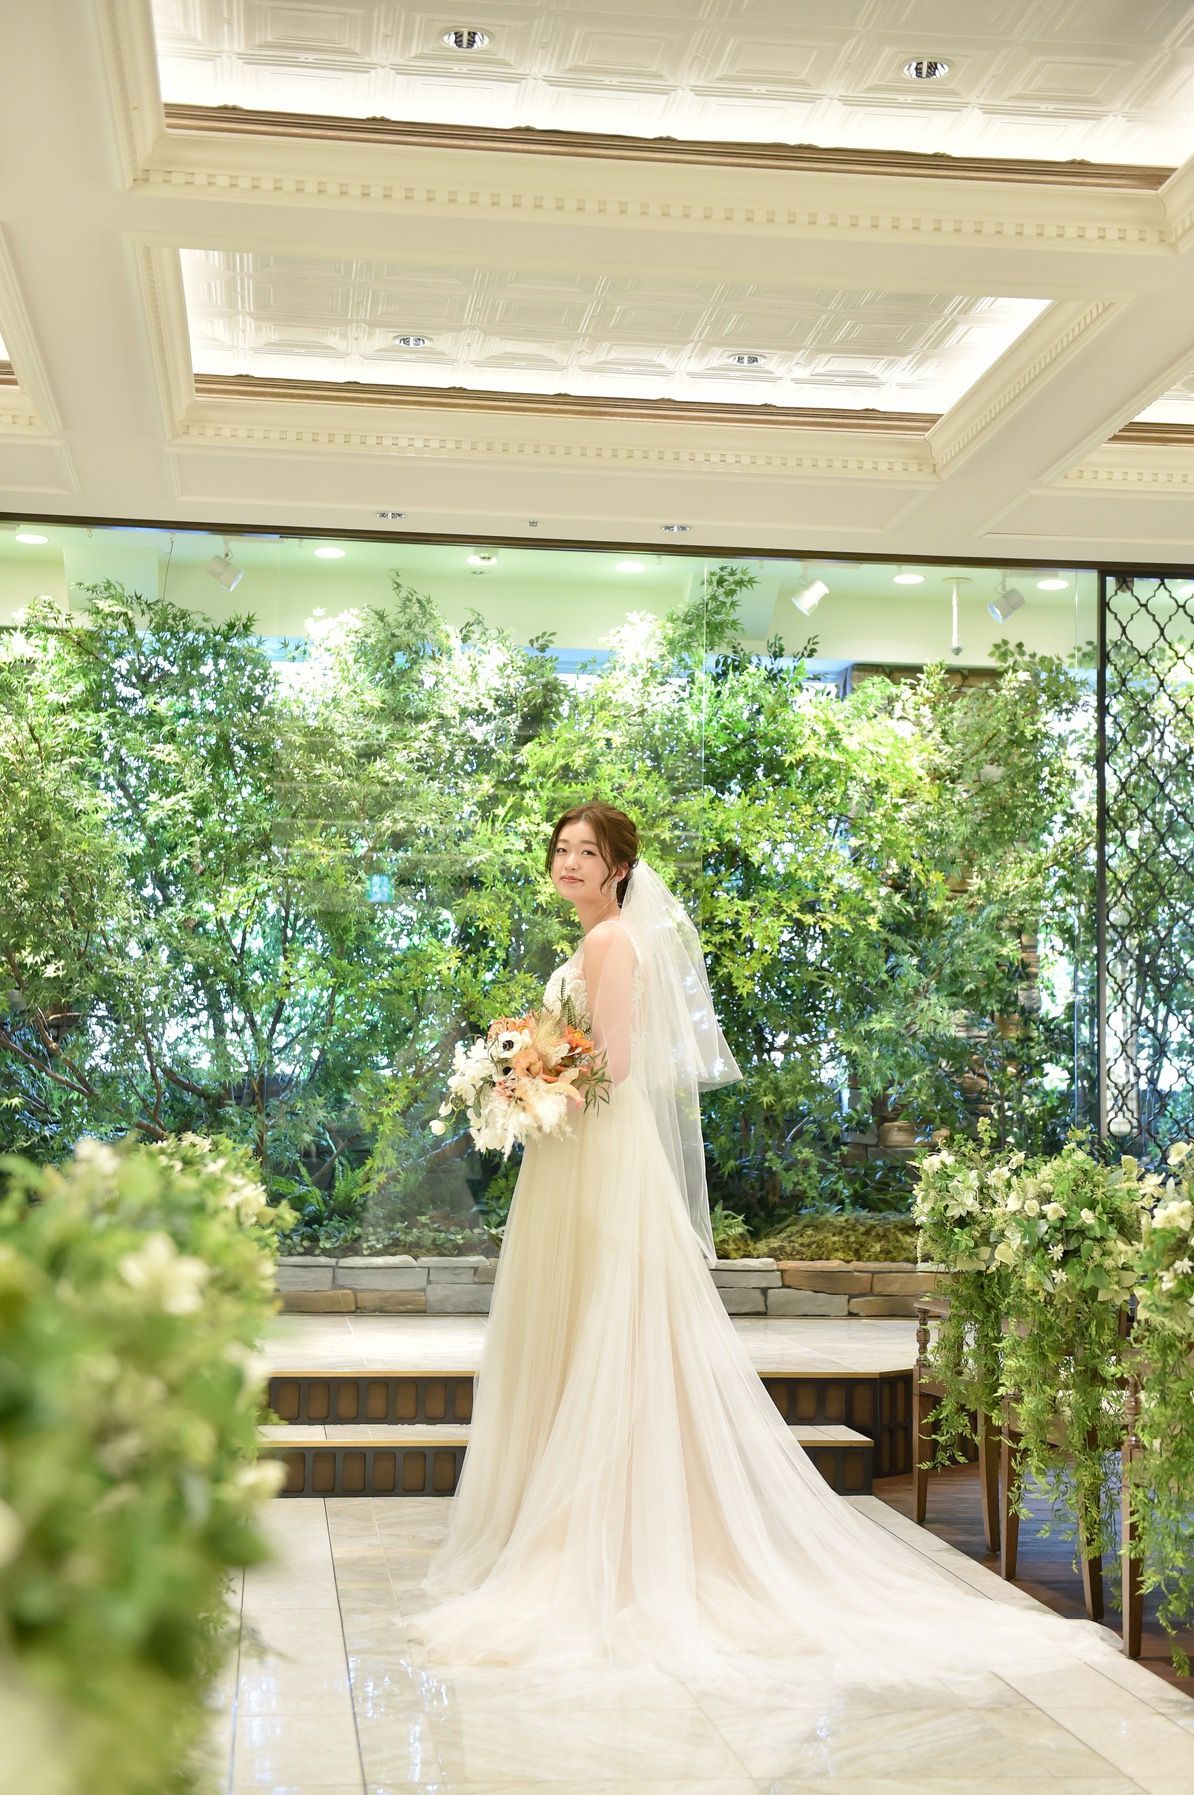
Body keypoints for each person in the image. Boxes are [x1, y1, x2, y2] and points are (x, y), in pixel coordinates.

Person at [399, 802, 1114, 1686]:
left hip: (597, 1156)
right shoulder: (590, 943)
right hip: (573, 1152)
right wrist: (521, 1077)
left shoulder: (613, 942)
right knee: (581, 1325)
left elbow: (616, 1065)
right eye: (562, 849)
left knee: (607, 1326)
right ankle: (577, 1520)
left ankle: (608, 1539)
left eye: (588, 851)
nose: (570, 862)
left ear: (619, 868)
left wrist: (530, 1084)